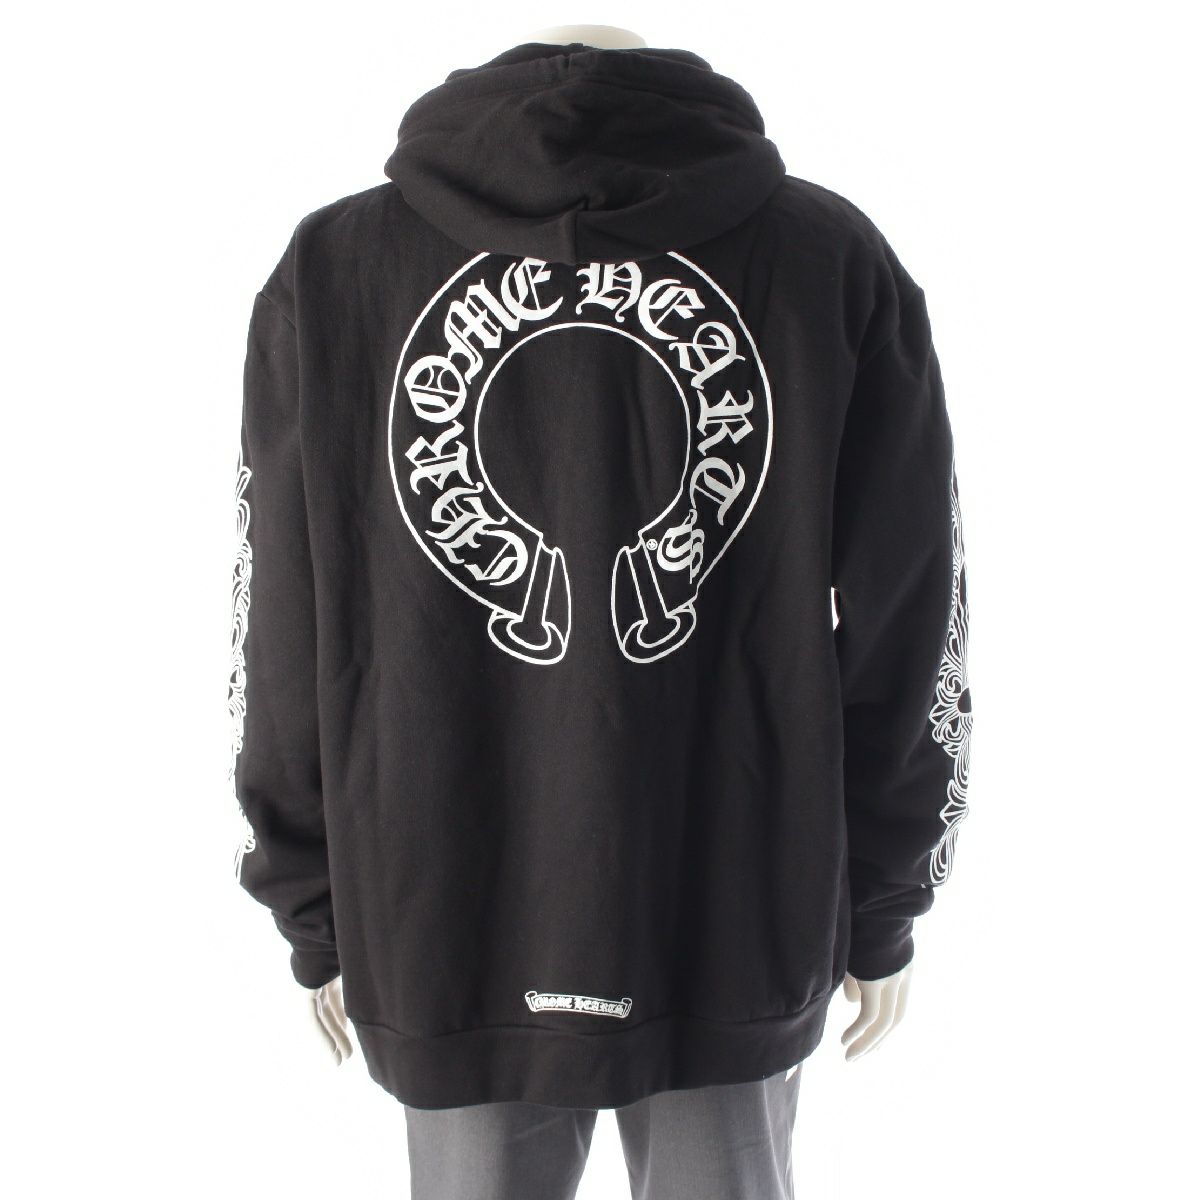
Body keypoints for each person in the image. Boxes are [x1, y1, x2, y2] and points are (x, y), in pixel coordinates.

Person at [228, 25, 973, 1200]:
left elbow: (279, 628)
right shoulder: (826, 255)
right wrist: (885, 895)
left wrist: (312, 902)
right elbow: (913, 621)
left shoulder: (337, 269)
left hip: (444, 915)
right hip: (737, 905)